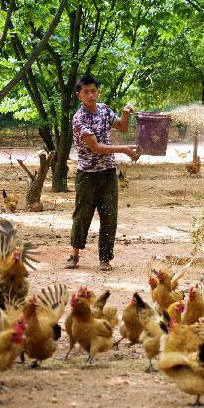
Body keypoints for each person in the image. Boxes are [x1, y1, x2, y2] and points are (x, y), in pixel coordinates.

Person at [65, 75, 141, 271]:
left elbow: (122, 127)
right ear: (78, 95)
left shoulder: (105, 109)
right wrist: (124, 150)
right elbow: (96, 147)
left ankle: (105, 258)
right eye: (86, 92)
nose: (91, 95)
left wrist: (125, 112)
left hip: (107, 173)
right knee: (82, 215)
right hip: (87, 174)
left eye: (93, 91)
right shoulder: (79, 118)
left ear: (98, 92)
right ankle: (74, 254)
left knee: (109, 216)